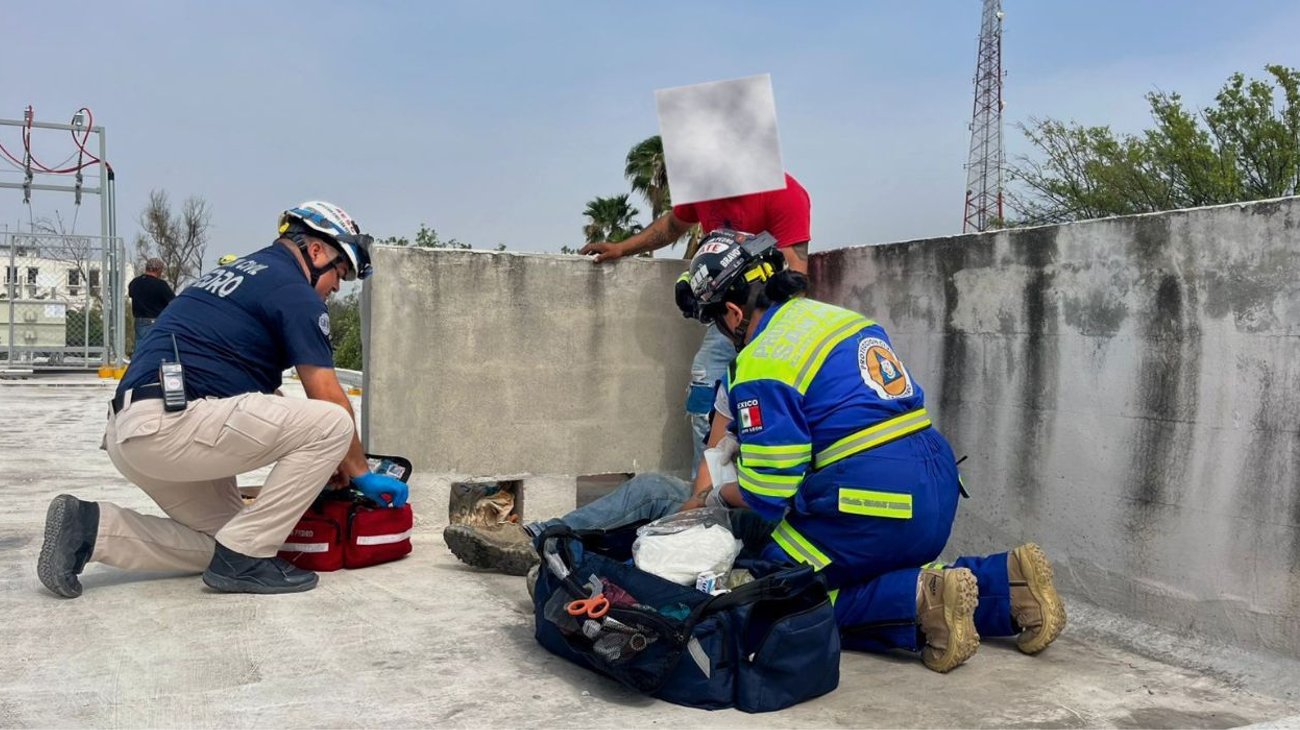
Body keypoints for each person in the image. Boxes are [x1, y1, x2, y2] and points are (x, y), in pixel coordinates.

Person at [448, 229, 1067, 673]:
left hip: (868, 502)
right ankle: (1005, 584)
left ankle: (920, 600)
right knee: (826, 562)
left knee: (770, 598)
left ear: (736, 310)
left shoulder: (762, 360)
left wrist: (715, 496)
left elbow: (768, 493)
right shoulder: (839, 321)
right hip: (929, 488)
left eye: (718, 320)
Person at [37, 201, 409, 598]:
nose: (336, 288)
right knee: (333, 422)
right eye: (339, 273)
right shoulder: (294, 292)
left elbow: (261, 402)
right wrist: (359, 469)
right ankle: (245, 560)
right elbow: (328, 397)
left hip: (129, 432)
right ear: (316, 251)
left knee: (228, 540)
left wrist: (323, 455)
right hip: (170, 425)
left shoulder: (231, 277)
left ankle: (91, 528)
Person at [579, 173, 811, 473]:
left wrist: (767, 334)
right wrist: (623, 248)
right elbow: (673, 225)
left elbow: (796, 274)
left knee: (765, 404)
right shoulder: (704, 186)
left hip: (769, 320)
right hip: (723, 320)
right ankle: (704, 489)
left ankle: (747, 492)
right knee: (705, 393)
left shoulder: (784, 192)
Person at [128, 257, 175, 346]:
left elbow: (131, 294)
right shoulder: (161, 285)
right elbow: (173, 302)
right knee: (156, 347)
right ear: (158, 270)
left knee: (141, 348)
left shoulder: (134, 282)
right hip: (156, 321)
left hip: (140, 321)